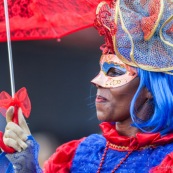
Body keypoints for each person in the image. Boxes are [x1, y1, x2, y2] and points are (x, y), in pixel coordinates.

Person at [1, 0, 173, 172]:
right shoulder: (81, 153)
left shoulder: (167, 160)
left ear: (149, 88)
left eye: (114, 72)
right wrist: (26, 166)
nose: (96, 81)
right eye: (101, 70)